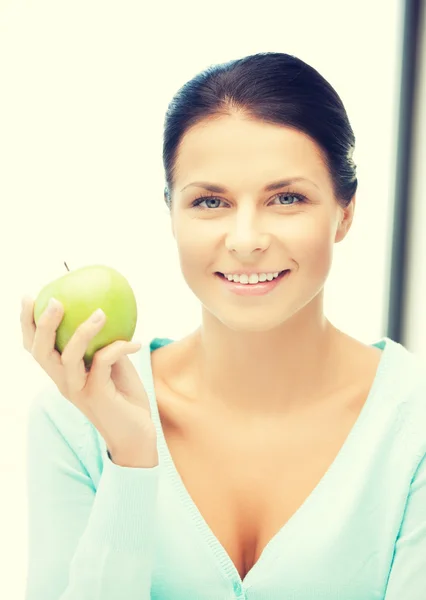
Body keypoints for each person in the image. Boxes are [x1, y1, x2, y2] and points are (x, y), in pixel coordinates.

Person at [21, 52, 426, 600]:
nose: (244, 239)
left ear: (345, 210)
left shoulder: (413, 424)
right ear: (171, 212)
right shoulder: (77, 422)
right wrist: (132, 461)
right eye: (210, 201)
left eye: (287, 198)